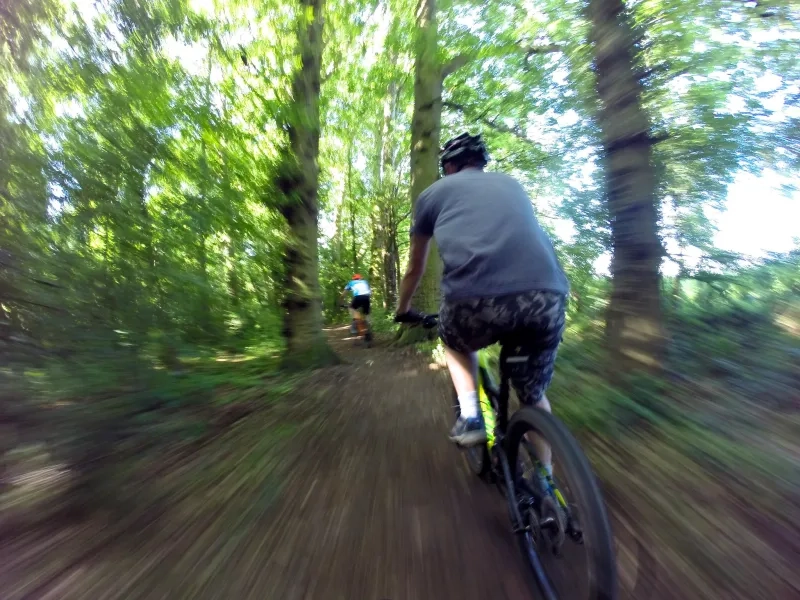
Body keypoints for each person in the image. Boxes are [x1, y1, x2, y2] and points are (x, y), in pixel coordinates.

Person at [394, 132, 569, 479]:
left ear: (449, 165)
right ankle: (547, 482)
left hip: (473, 298)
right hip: (546, 296)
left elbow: (415, 267)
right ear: (480, 163)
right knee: (533, 395)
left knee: (454, 340)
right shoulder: (512, 186)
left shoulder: (431, 195)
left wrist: (403, 309)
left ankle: (471, 415)